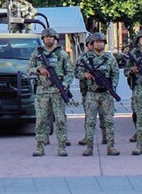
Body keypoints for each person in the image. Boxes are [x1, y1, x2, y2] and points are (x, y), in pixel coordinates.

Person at [28, 28, 73, 156]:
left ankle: (62, 146)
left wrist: (64, 84)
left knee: (60, 119)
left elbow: (70, 72)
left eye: (50, 37)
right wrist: (39, 69)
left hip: (57, 91)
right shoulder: (37, 53)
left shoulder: (62, 54)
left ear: (55, 39)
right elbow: (29, 69)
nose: (48, 39)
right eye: (46, 37)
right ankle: (40, 146)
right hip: (42, 91)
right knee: (41, 120)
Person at [76, 32, 117, 156]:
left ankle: (111, 146)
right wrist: (84, 75)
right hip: (91, 94)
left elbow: (115, 73)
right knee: (90, 121)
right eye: (96, 42)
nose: (99, 43)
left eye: (101, 41)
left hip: (106, 94)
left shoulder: (110, 58)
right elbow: (76, 72)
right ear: (92, 44)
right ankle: (89, 147)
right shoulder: (85, 58)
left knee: (109, 121)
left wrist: (112, 87)